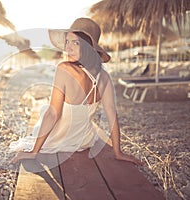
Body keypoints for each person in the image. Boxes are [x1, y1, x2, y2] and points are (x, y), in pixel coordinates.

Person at [10, 17, 142, 165]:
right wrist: (118, 152)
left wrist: (34, 152)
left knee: (46, 111)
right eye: (67, 42)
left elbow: (53, 114)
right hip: (84, 141)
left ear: (89, 47)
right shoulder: (104, 76)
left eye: (76, 43)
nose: (68, 48)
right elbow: (112, 115)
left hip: (58, 139)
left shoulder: (64, 69)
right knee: (46, 111)